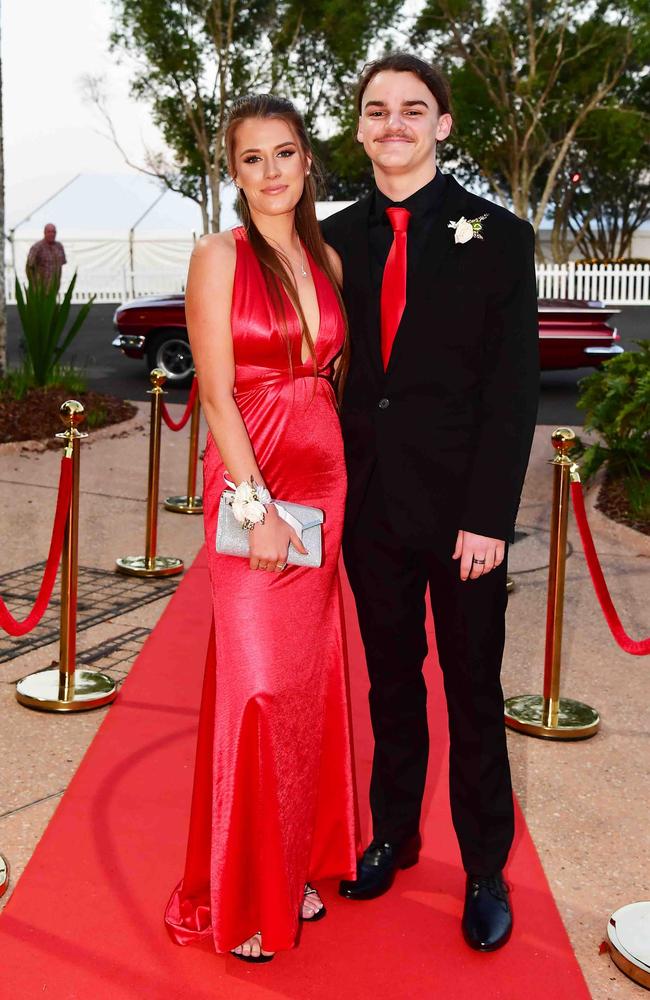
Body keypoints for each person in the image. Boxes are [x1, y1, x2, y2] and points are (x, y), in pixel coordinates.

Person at [322, 52, 539, 952]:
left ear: (443, 124)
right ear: (361, 127)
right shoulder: (330, 236)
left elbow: (512, 389)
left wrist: (488, 516)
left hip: (463, 521)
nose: (394, 124)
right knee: (390, 685)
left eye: (413, 109)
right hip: (368, 509)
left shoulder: (500, 237)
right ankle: (394, 834)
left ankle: (486, 866)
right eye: (377, 110)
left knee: (473, 691)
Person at [164, 94, 357, 964]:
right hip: (254, 482)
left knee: (307, 683)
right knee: (257, 684)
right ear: (232, 172)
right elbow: (214, 395)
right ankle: (241, 894)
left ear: (307, 160)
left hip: (324, 479)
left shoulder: (327, 259)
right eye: (253, 159)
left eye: (286, 154)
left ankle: (294, 864)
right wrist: (257, 507)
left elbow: (334, 373)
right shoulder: (217, 256)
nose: (273, 172)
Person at [26, 223, 66, 290]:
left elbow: (61, 264)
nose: (52, 234)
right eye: (49, 232)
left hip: (54, 286)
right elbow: (29, 267)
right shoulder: (37, 247)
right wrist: (34, 284)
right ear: (44, 233)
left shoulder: (59, 247)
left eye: (54, 232)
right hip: (40, 288)